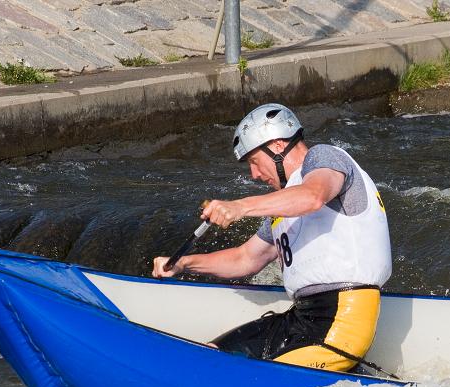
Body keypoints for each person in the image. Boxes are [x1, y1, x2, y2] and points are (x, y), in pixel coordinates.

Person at [152, 103, 392, 372]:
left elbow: (313, 196)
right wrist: (184, 263)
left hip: (342, 321)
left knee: (235, 373)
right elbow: (246, 259)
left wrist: (240, 206)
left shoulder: (324, 157)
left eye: (254, 161)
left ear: (278, 145)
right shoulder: (284, 206)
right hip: (300, 318)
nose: (254, 174)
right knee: (211, 355)